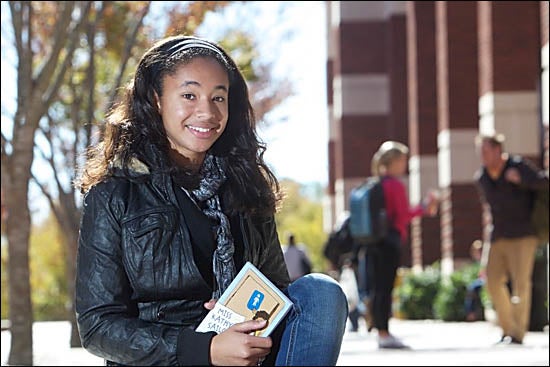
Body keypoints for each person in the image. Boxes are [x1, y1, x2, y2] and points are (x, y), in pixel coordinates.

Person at [73, 35, 348, 366]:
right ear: (156, 99)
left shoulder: (247, 188)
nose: (206, 111)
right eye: (189, 95)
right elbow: (97, 326)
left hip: (244, 353)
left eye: (219, 97)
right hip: (169, 358)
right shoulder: (115, 193)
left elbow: (275, 287)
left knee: (321, 293)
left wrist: (243, 314)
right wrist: (204, 349)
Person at [474, 132, 548, 345]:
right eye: (481, 151)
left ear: (498, 150)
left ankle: (517, 333)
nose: (483, 156)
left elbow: (544, 182)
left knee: (521, 284)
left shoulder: (518, 166)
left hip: (523, 234)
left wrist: (521, 180)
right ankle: (507, 328)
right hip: (497, 235)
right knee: (492, 281)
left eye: (486, 151)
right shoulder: (482, 177)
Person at [365, 141, 438, 349]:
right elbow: (403, 215)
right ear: (395, 161)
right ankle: (384, 333)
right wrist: (425, 207)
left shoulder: (376, 183)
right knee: (386, 288)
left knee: (378, 288)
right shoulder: (395, 185)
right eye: (403, 161)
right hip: (390, 242)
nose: (405, 165)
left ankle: (380, 331)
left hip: (374, 243)